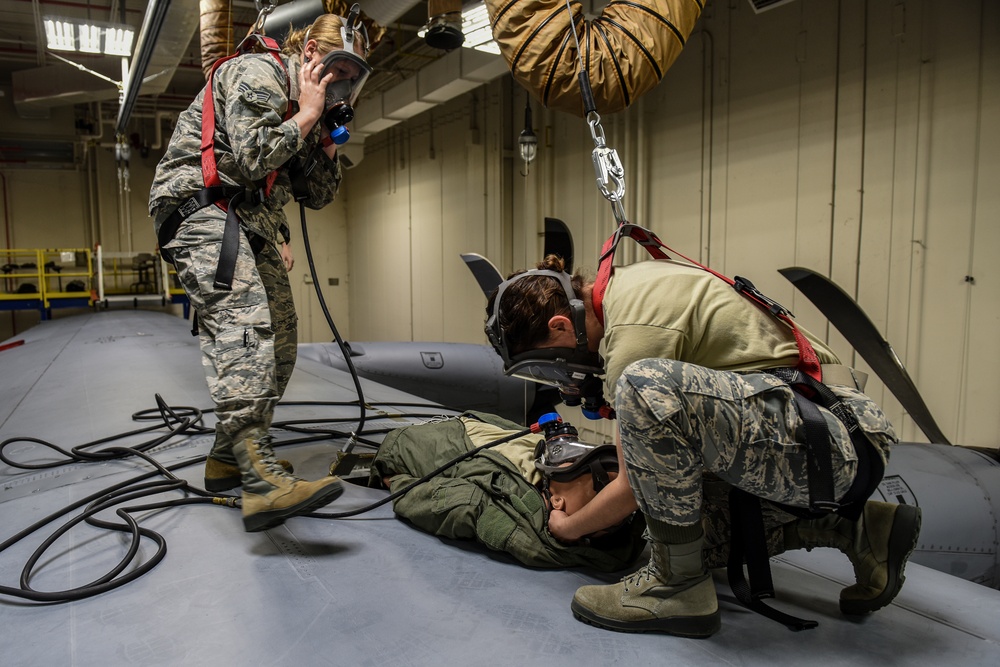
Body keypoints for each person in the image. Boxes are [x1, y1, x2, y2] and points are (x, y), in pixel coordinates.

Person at [485, 254, 921, 638]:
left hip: (831, 438)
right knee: (688, 532)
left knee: (642, 391)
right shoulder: (628, 289)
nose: (559, 377)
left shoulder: (632, 330)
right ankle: (859, 529)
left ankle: (676, 587)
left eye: (548, 361)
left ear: (560, 324)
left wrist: (567, 528)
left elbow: (632, 488)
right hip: (828, 436)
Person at [148, 13, 370, 532]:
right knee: (246, 325)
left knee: (283, 334)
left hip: (244, 216)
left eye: (354, 79)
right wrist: (310, 115)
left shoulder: (302, 108)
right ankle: (262, 482)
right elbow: (250, 158)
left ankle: (229, 459)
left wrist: (327, 147)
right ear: (311, 52)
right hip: (197, 205)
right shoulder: (258, 73)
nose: (344, 85)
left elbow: (315, 195)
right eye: (339, 70)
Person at [368, 411, 647, 571]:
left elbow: (446, 503)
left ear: (559, 504)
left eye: (582, 469)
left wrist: (397, 482)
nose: (574, 458)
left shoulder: (512, 521)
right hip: (474, 426)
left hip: (410, 447)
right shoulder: (550, 472)